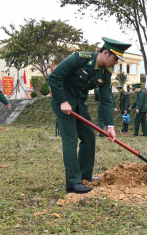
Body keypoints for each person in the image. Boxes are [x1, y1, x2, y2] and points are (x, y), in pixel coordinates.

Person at [48, 37, 131, 194]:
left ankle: (85, 175)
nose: (116, 63)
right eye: (115, 59)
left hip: (80, 104)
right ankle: (73, 182)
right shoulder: (79, 59)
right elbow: (54, 77)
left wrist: (110, 126)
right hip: (63, 103)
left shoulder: (106, 73)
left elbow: (107, 99)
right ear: (105, 53)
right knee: (71, 139)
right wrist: (63, 101)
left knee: (89, 137)